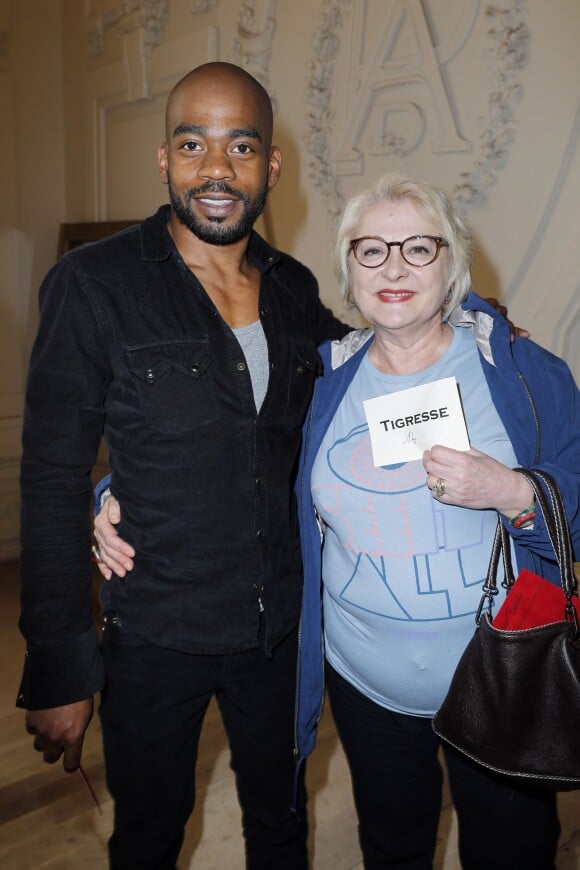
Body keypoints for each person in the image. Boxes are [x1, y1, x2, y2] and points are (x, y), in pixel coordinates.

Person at [17, 61, 351, 870]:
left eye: (241, 147)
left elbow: (381, 356)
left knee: (280, 823)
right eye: (193, 143)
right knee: (149, 835)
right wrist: (62, 666)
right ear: (164, 159)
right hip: (157, 630)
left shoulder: (295, 290)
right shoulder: (92, 286)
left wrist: (474, 317)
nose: (216, 169)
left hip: (277, 628)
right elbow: (51, 476)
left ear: (270, 166)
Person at [290, 173, 578, 868]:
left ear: (452, 264)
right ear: (347, 268)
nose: (392, 267)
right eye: (371, 250)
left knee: (511, 849)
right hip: (364, 681)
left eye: (419, 248)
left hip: (500, 675)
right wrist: (115, 493)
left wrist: (511, 490)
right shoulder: (320, 379)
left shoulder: (521, 370)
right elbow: (228, 463)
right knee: (392, 845)